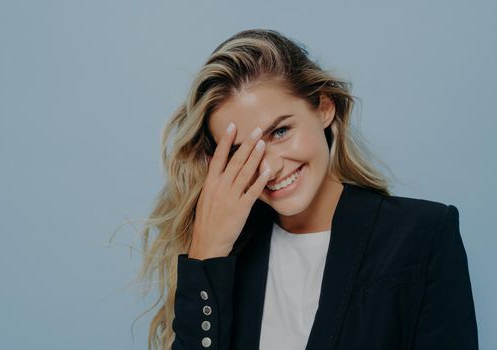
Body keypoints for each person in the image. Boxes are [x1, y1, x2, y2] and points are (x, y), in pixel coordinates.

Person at [137, 29, 478, 350]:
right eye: (243, 151)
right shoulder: (228, 258)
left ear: (324, 108)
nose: (269, 167)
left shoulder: (422, 234)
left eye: (280, 132)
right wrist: (206, 254)